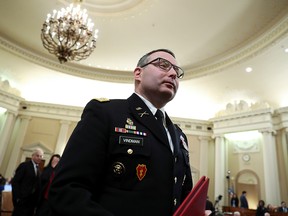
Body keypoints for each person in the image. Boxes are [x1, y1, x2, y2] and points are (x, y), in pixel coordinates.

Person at [48, 49, 194, 216]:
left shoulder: (178, 135)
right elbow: (67, 190)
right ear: (138, 73)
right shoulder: (106, 113)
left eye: (177, 71)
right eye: (164, 65)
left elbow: (182, 196)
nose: (173, 73)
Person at [11, 148, 44, 216]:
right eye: (37, 155)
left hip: (31, 203)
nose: (39, 158)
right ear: (32, 156)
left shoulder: (39, 171)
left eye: (41, 156)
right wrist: (17, 198)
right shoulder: (24, 165)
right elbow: (15, 182)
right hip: (21, 200)